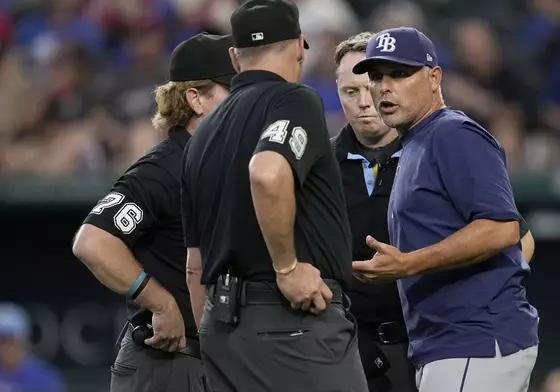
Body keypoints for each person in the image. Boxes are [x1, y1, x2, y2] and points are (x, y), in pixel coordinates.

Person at [333, 31, 538, 392]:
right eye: (377, 76)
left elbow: (504, 230)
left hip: (472, 340)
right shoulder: (417, 140)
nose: (384, 88)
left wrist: (408, 264)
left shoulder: (452, 133)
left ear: (434, 77)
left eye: (399, 74)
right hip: (446, 343)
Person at [180, 1, 369, 391]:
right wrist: (287, 268)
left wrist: (210, 337)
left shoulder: (203, 131)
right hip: (290, 321)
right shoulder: (294, 100)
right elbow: (267, 173)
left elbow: (194, 265)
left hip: (223, 327)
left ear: (235, 57)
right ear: (300, 45)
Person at [71, 33, 236, 392]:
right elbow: (93, 241)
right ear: (196, 98)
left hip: (222, 361)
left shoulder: (232, 164)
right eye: (232, 91)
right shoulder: (163, 168)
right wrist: (160, 304)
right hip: (169, 364)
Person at [0, 303, 66, 392]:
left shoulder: (43, 379)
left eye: (9, 340)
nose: (5, 347)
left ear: (23, 340)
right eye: (2, 341)